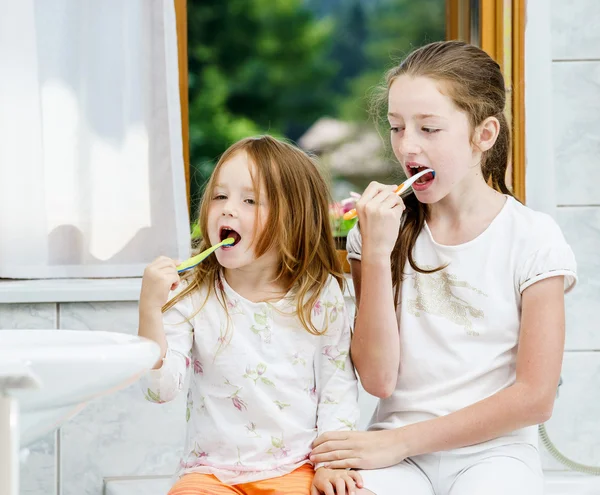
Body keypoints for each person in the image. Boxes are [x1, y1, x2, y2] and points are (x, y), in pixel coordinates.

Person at [309, 40, 577, 495]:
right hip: (397, 455)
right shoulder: (376, 236)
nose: (407, 145)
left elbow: (535, 399)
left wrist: (398, 442)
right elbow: (378, 380)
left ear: (484, 135)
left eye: (429, 129)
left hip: (495, 454)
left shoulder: (533, 239)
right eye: (397, 128)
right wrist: (374, 254)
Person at [138, 135, 362, 495]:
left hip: (297, 467)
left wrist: (332, 465)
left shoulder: (318, 295)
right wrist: (150, 308)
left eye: (250, 200)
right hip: (210, 474)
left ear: (294, 218)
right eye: (220, 196)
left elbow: (337, 389)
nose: (228, 209)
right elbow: (160, 391)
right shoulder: (193, 295)